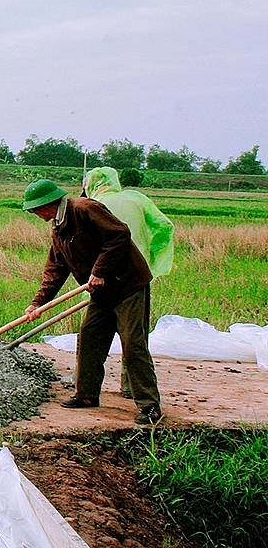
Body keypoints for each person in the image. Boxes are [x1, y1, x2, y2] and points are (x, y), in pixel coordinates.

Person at [21, 178, 162, 425]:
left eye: (35, 208)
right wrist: (37, 304)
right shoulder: (58, 228)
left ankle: (150, 406)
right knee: (89, 337)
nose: (34, 213)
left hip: (127, 285)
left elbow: (119, 234)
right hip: (101, 292)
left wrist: (100, 271)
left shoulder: (85, 209)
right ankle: (86, 395)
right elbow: (55, 270)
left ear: (47, 204)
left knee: (132, 344)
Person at [83, 166, 175, 399]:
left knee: (91, 335)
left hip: (101, 278)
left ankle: (86, 387)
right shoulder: (136, 199)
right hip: (136, 276)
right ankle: (130, 388)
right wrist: (150, 258)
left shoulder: (93, 206)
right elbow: (164, 226)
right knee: (134, 336)